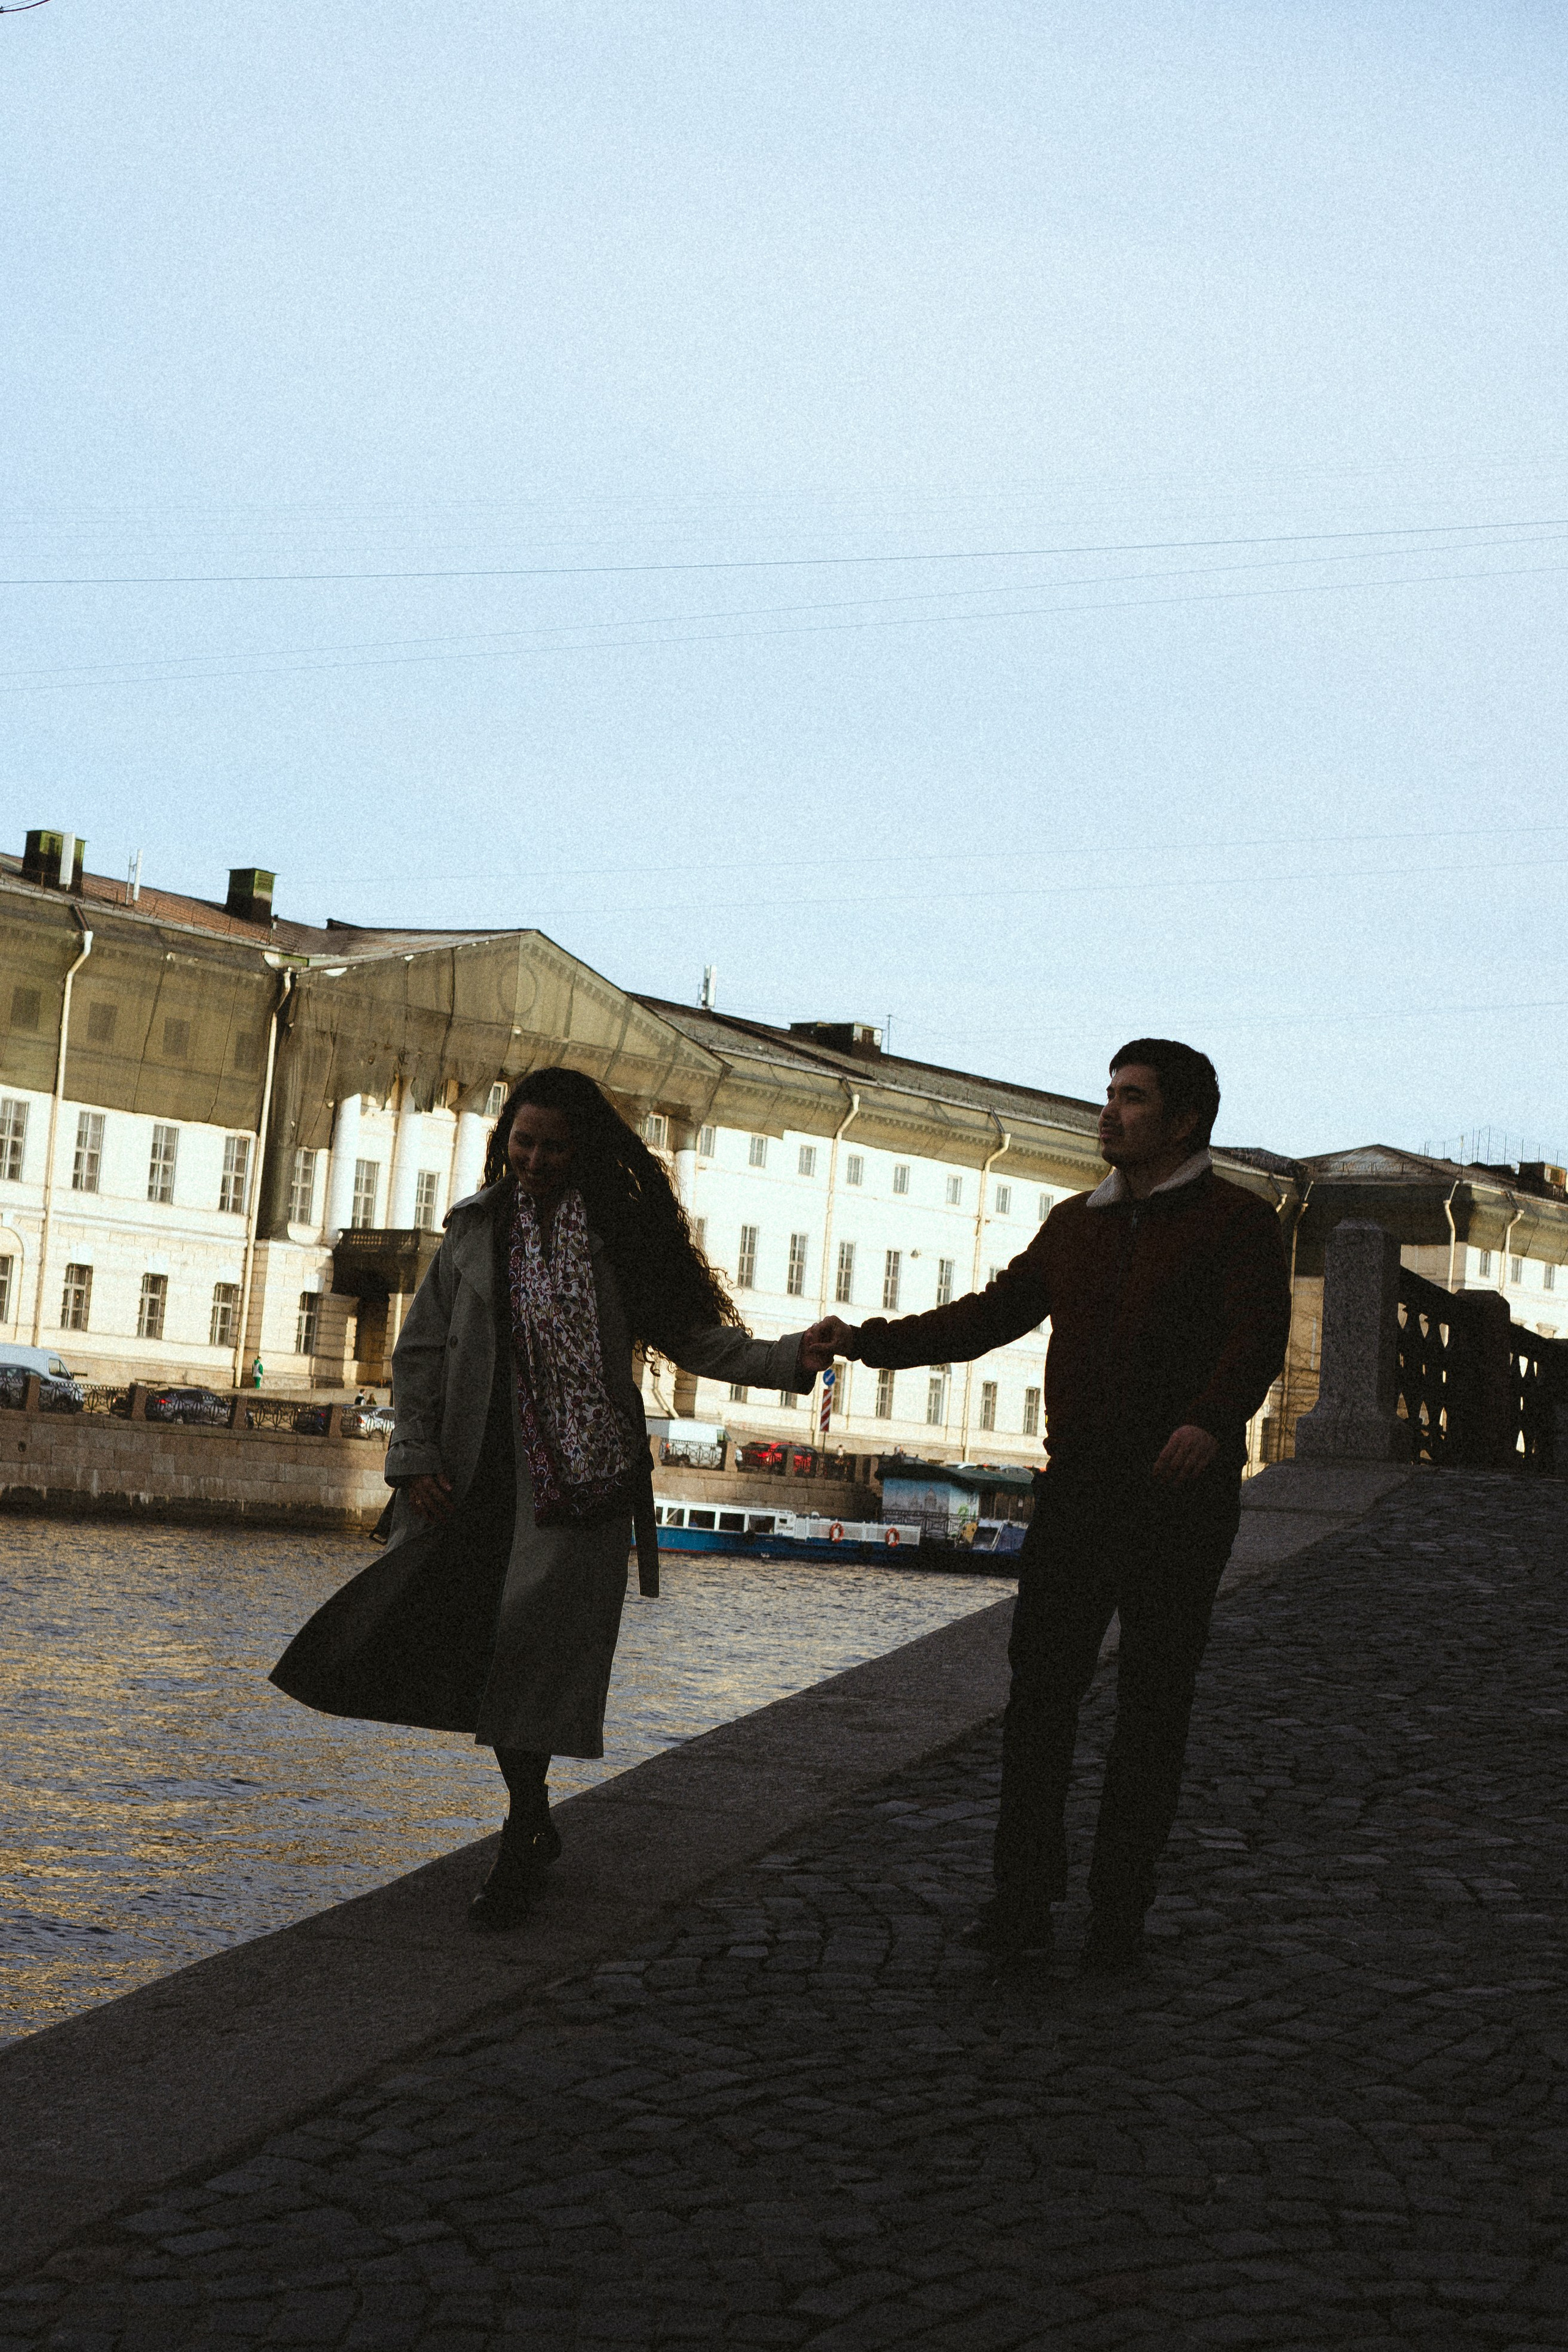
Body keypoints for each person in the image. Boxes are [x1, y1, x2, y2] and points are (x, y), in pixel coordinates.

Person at [273, 1068, 834, 1931]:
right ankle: (531, 1815)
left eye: (552, 1146)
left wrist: (788, 1359)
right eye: (522, 1142)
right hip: (469, 1475)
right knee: (469, 1646)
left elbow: (692, 1337)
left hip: (576, 1481)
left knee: (532, 1656)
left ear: (584, 1151)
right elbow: (420, 1351)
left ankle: (520, 1836)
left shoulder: (618, 1235)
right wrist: (414, 1453)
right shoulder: (474, 1230)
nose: (533, 1160)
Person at [809, 1039, 1290, 1973]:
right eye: (1108, 1095)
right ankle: (1023, 1896)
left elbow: (1257, 1334)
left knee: (1153, 1706)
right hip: (1077, 1493)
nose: (1108, 1112)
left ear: (1185, 1120)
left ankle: (1120, 1911)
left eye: (1133, 1099)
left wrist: (1209, 1421)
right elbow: (986, 1316)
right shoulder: (1077, 1225)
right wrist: (863, 1342)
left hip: (1176, 1499)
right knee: (1039, 1698)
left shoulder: (1238, 1221)